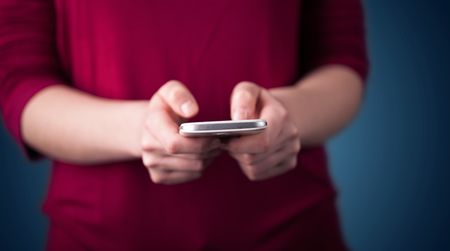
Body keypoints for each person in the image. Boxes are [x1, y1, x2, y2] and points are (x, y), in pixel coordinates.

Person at [0, 0, 368, 250]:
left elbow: (341, 59)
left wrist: (287, 115)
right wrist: (139, 130)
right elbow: (20, 84)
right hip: (100, 237)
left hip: (291, 233)